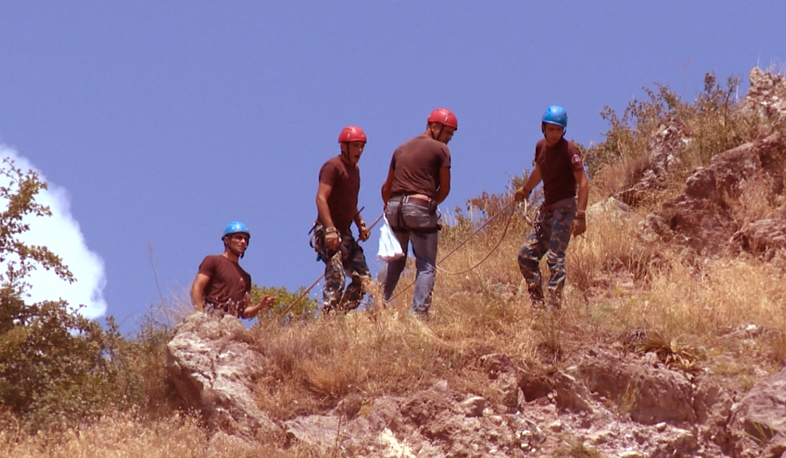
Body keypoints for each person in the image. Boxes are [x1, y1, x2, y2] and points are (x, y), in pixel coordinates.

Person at [380, 108, 456, 318]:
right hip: (419, 207)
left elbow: (386, 188)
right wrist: (431, 204)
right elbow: (445, 188)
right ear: (434, 127)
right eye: (447, 132)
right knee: (426, 265)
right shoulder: (441, 151)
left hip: (394, 207)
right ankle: (418, 313)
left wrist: (390, 207)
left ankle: (376, 305)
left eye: (451, 134)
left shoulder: (400, 149)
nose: (449, 138)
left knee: (395, 260)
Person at [514, 105, 589, 309]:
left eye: (558, 129)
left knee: (555, 257)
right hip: (547, 209)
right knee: (526, 256)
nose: (554, 133)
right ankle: (538, 305)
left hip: (565, 208)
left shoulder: (569, 150)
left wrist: (580, 215)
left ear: (563, 130)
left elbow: (583, 182)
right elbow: (540, 170)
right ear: (543, 127)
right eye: (551, 128)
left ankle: (554, 311)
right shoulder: (540, 147)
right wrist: (526, 189)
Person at [313, 125, 372, 312]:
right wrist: (329, 230)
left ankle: (341, 314)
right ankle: (329, 315)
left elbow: (350, 203)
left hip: (345, 232)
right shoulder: (333, 166)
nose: (359, 151)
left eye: (362, 146)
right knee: (336, 274)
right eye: (355, 146)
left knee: (364, 279)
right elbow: (321, 198)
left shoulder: (355, 172)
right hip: (327, 230)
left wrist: (360, 223)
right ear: (344, 146)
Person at [191, 221, 274, 319]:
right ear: (227, 240)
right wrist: (201, 314)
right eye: (239, 237)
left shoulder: (246, 277)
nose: (243, 241)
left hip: (231, 321)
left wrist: (260, 306)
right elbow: (197, 286)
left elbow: (244, 311)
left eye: (245, 239)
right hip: (212, 315)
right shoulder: (213, 261)